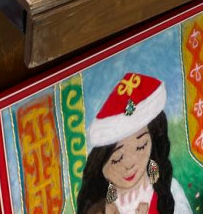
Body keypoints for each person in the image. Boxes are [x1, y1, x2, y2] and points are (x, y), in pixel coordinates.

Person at [76, 72, 192, 214]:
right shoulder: (100, 208)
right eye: (117, 159)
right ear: (100, 163)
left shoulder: (169, 189)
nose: (130, 164)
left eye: (141, 146)